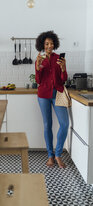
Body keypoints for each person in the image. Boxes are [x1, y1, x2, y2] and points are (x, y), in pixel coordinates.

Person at [35, 30, 69, 168]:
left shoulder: (58, 59)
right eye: (47, 43)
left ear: (55, 44)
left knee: (64, 124)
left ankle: (58, 154)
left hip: (58, 94)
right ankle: (50, 155)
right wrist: (38, 67)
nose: (49, 45)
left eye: (51, 43)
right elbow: (38, 80)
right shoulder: (40, 60)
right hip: (43, 95)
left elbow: (64, 79)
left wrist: (63, 68)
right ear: (42, 45)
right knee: (47, 125)